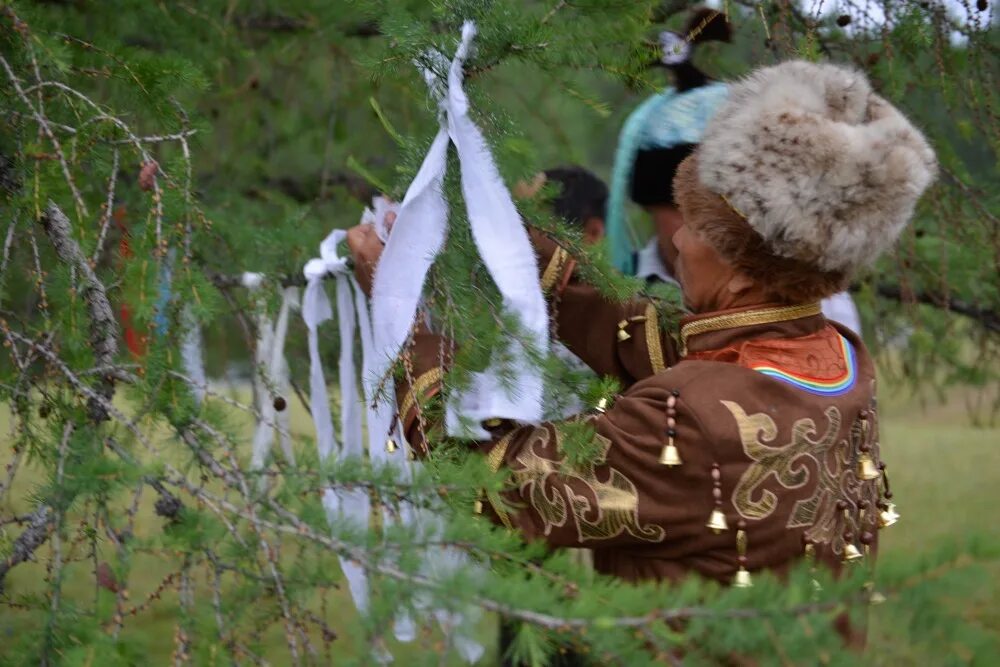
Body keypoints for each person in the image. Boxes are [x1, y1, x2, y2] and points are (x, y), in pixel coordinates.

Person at [348, 60, 934, 647]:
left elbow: (493, 484)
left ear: (742, 268)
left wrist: (396, 305)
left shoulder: (694, 418)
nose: (677, 238)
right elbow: (632, 328)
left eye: (699, 229)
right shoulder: (832, 352)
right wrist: (490, 229)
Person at [607, 7, 863, 334]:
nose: (697, 230)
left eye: (717, 207)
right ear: (650, 204)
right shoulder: (609, 295)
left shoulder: (815, 304)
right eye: (680, 206)